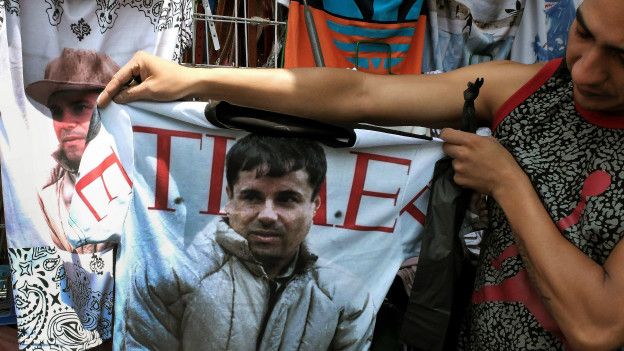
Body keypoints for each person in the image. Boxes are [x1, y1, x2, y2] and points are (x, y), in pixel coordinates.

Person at [99, 0, 624, 349]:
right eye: (581, 34)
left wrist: (506, 181)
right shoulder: (525, 90)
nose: (585, 69)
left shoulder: (330, 298)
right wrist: (196, 79)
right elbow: (361, 94)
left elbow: (598, 326)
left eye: (620, 57)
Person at [127, 134, 375, 350]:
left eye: (287, 199)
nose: (267, 215)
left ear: (315, 206)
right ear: (230, 198)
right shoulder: (169, 275)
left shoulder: (347, 298)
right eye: (252, 197)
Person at [26, 48, 119, 253]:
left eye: (79, 108)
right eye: (56, 111)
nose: (64, 124)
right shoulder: (48, 198)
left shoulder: (137, 184)